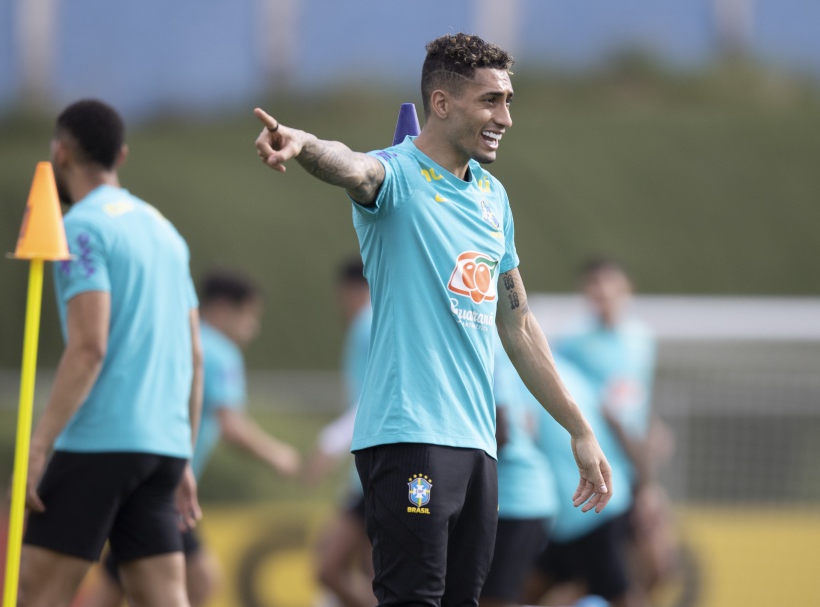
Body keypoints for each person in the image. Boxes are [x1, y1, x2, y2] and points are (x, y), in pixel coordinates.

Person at [254, 32, 613, 607]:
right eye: (490, 100)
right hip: (410, 438)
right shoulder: (394, 177)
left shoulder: (494, 200)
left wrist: (579, 428)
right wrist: (303, 143)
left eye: (508, 100)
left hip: (477, 447)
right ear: (442, 104)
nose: (505, 117)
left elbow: (518, 326)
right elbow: (350, 166)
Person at [17, 99, 202, 607]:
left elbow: (89, 347)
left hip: (101, 443)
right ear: (121, 155)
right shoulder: (165, 231)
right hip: (162, 449)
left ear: (61, 154)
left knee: (37, 593)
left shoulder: (80, 227)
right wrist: (182, 450)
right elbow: (195, 355)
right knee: (162, 599)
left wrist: (38, 447)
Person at [84, 268, 301, 607]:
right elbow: (232, 426)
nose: (253, 328)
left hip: (136, 469)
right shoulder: (219, 353)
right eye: (250, 317)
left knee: (120, 579)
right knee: (199, 578)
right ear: (225, 309)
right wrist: (277, 455)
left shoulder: (174, 338)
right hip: (164, 482)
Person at [554, 258, 680, 598]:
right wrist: (648, 482)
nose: (602, 291)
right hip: (607, 470)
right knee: (621, 576)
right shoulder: (574, 345)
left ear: (627, 288)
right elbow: (608, 415)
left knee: (656, 569)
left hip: (635, 463)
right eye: (593, 284)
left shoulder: (640, 338)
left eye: (608, 283)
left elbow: (634, 395)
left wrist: (652, 426)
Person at [521, 356, 639, 607]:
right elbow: (614, 422)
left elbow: (518, 431)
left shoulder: (520, 375)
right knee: (525, 590)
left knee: (620, 595)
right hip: (583, 511)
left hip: (592, 510)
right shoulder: (572, 371)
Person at [304, 257, 374, 607]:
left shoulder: (367, 323)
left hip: (377, 470)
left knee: (334, 570)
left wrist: (329, 442)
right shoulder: (372, 323)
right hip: (367, 473)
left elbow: (376, 396)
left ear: (349, 290)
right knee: (357, 571)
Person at [478, 337, 558, 607]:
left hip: (518, 500)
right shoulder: (503, 348)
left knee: (494, 599)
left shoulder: (486, 345)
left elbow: (502, 432)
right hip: (522, 497)